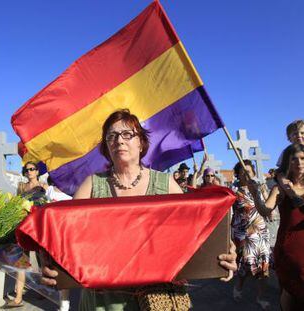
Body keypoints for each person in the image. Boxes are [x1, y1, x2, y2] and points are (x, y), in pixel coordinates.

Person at [41, 109, 237, 311]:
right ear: (106, 145)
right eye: (111, 136)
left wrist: (222, 250)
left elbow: (195, 232)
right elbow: (65, 235)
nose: (119, 140)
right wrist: (50, 264)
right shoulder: (91, 185)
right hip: (103, 302)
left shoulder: (166, 184)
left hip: (156, 299)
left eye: (127, 134)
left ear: (141, 142)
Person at [248, 143, 304, 309]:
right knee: (290, 290)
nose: (299, 163)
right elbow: (265, 210)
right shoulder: (280, 189)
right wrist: (255, 193)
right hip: (290, 248)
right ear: (288, 163)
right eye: (294, 159)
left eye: (302, 158)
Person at [3, 161, 48, 309]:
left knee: (42, 259)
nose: (29, 171)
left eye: (32, 169)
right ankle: (18, 298)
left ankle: (44, 290)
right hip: (23, 225)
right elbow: (17, 205)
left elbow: (43, 206)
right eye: (26, 169)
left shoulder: (44, 186)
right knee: (22, 259)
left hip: (37, 226)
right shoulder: (21, 186)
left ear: (37, 171)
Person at [230, 160, 271, 309]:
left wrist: (262, 192)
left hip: (261, 232)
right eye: (243, 171)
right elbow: (229, 215)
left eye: (249, 171)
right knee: (246, 267)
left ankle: (261, 297)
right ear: (238, 175)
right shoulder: (234, 192)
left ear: (253, 173)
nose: (247, 174)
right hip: (244, 235)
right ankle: (238, 287)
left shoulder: (260, 188)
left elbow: (269, 209)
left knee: (264, 267)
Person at [275, 120, 304, 208]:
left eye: (302, 133)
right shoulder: (287, 152)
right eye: (295, 134)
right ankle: (294, 197)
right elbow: (281, 169)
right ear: (289, 138)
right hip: (293, 183)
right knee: (281, 178)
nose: (299, 136)